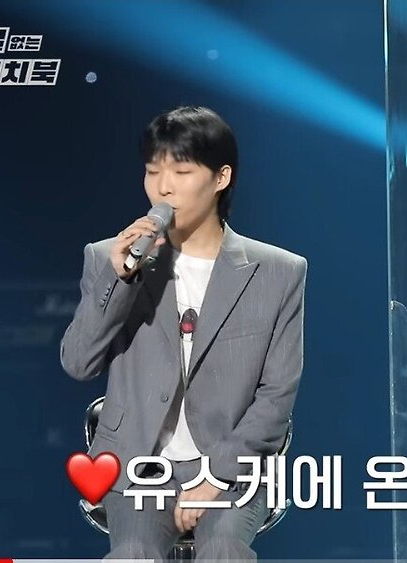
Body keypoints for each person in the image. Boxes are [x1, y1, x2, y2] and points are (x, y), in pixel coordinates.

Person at [60, 106, 307, 560]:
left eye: (181, 171)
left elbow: (277, 394)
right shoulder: (106, 258)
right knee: (132, 553)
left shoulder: (278, 271)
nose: (163, 187)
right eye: (153, 172)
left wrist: (215, 477)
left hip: (231, 467)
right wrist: (122, 279)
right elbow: (78, 363)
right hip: (138, 466)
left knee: (224, 549)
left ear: (220, 178)